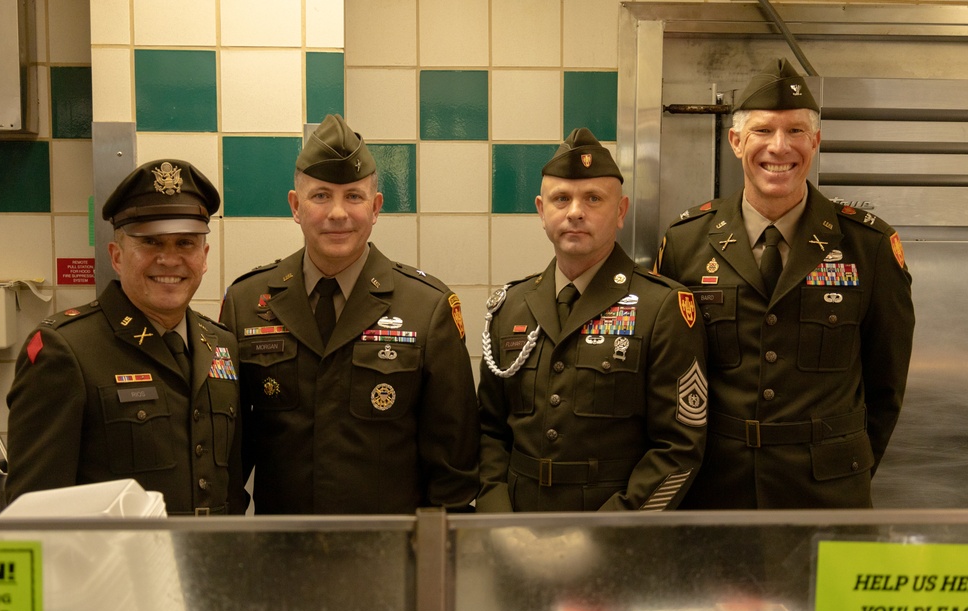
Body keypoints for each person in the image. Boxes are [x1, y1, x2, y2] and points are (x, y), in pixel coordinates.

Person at [654, 58, 915, 509]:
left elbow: (885, 384)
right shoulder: (685, 242)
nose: (780, 147)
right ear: (736, 141)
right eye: (763, 131)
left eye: (796, 131)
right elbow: (664, 378)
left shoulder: (868, 245)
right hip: (716, 485)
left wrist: (847, 461)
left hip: (829, 488)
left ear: (815, 141)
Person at [220, 113, 479, 514]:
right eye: (321, 195)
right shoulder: (246, 303)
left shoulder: (426, 308)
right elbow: (229, 455)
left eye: (353, 197)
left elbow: (453, 467)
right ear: (295, 205)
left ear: (375, 208)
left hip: (389, 555)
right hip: (281, 552)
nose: (338, 213)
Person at [476, 127, 708, 512]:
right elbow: (489, 433)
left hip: (613, 533)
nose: (575, 212)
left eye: (593, 199)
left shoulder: (661, 307)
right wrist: (497, 521)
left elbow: (679, 448)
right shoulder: (510, 307)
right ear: (541, 211)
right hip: (514, 528)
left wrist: (607, 532)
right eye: (561, 199)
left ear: (620, 212)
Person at [6, 159, 247, 515]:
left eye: (185, 243)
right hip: (116, 569)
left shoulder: (221, 345)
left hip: (211, 566)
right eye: (150, 242)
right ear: (117, 256)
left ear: (204, 256)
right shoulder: (66, 350)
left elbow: (232, 492)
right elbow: (33, 515)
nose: (169, 259)